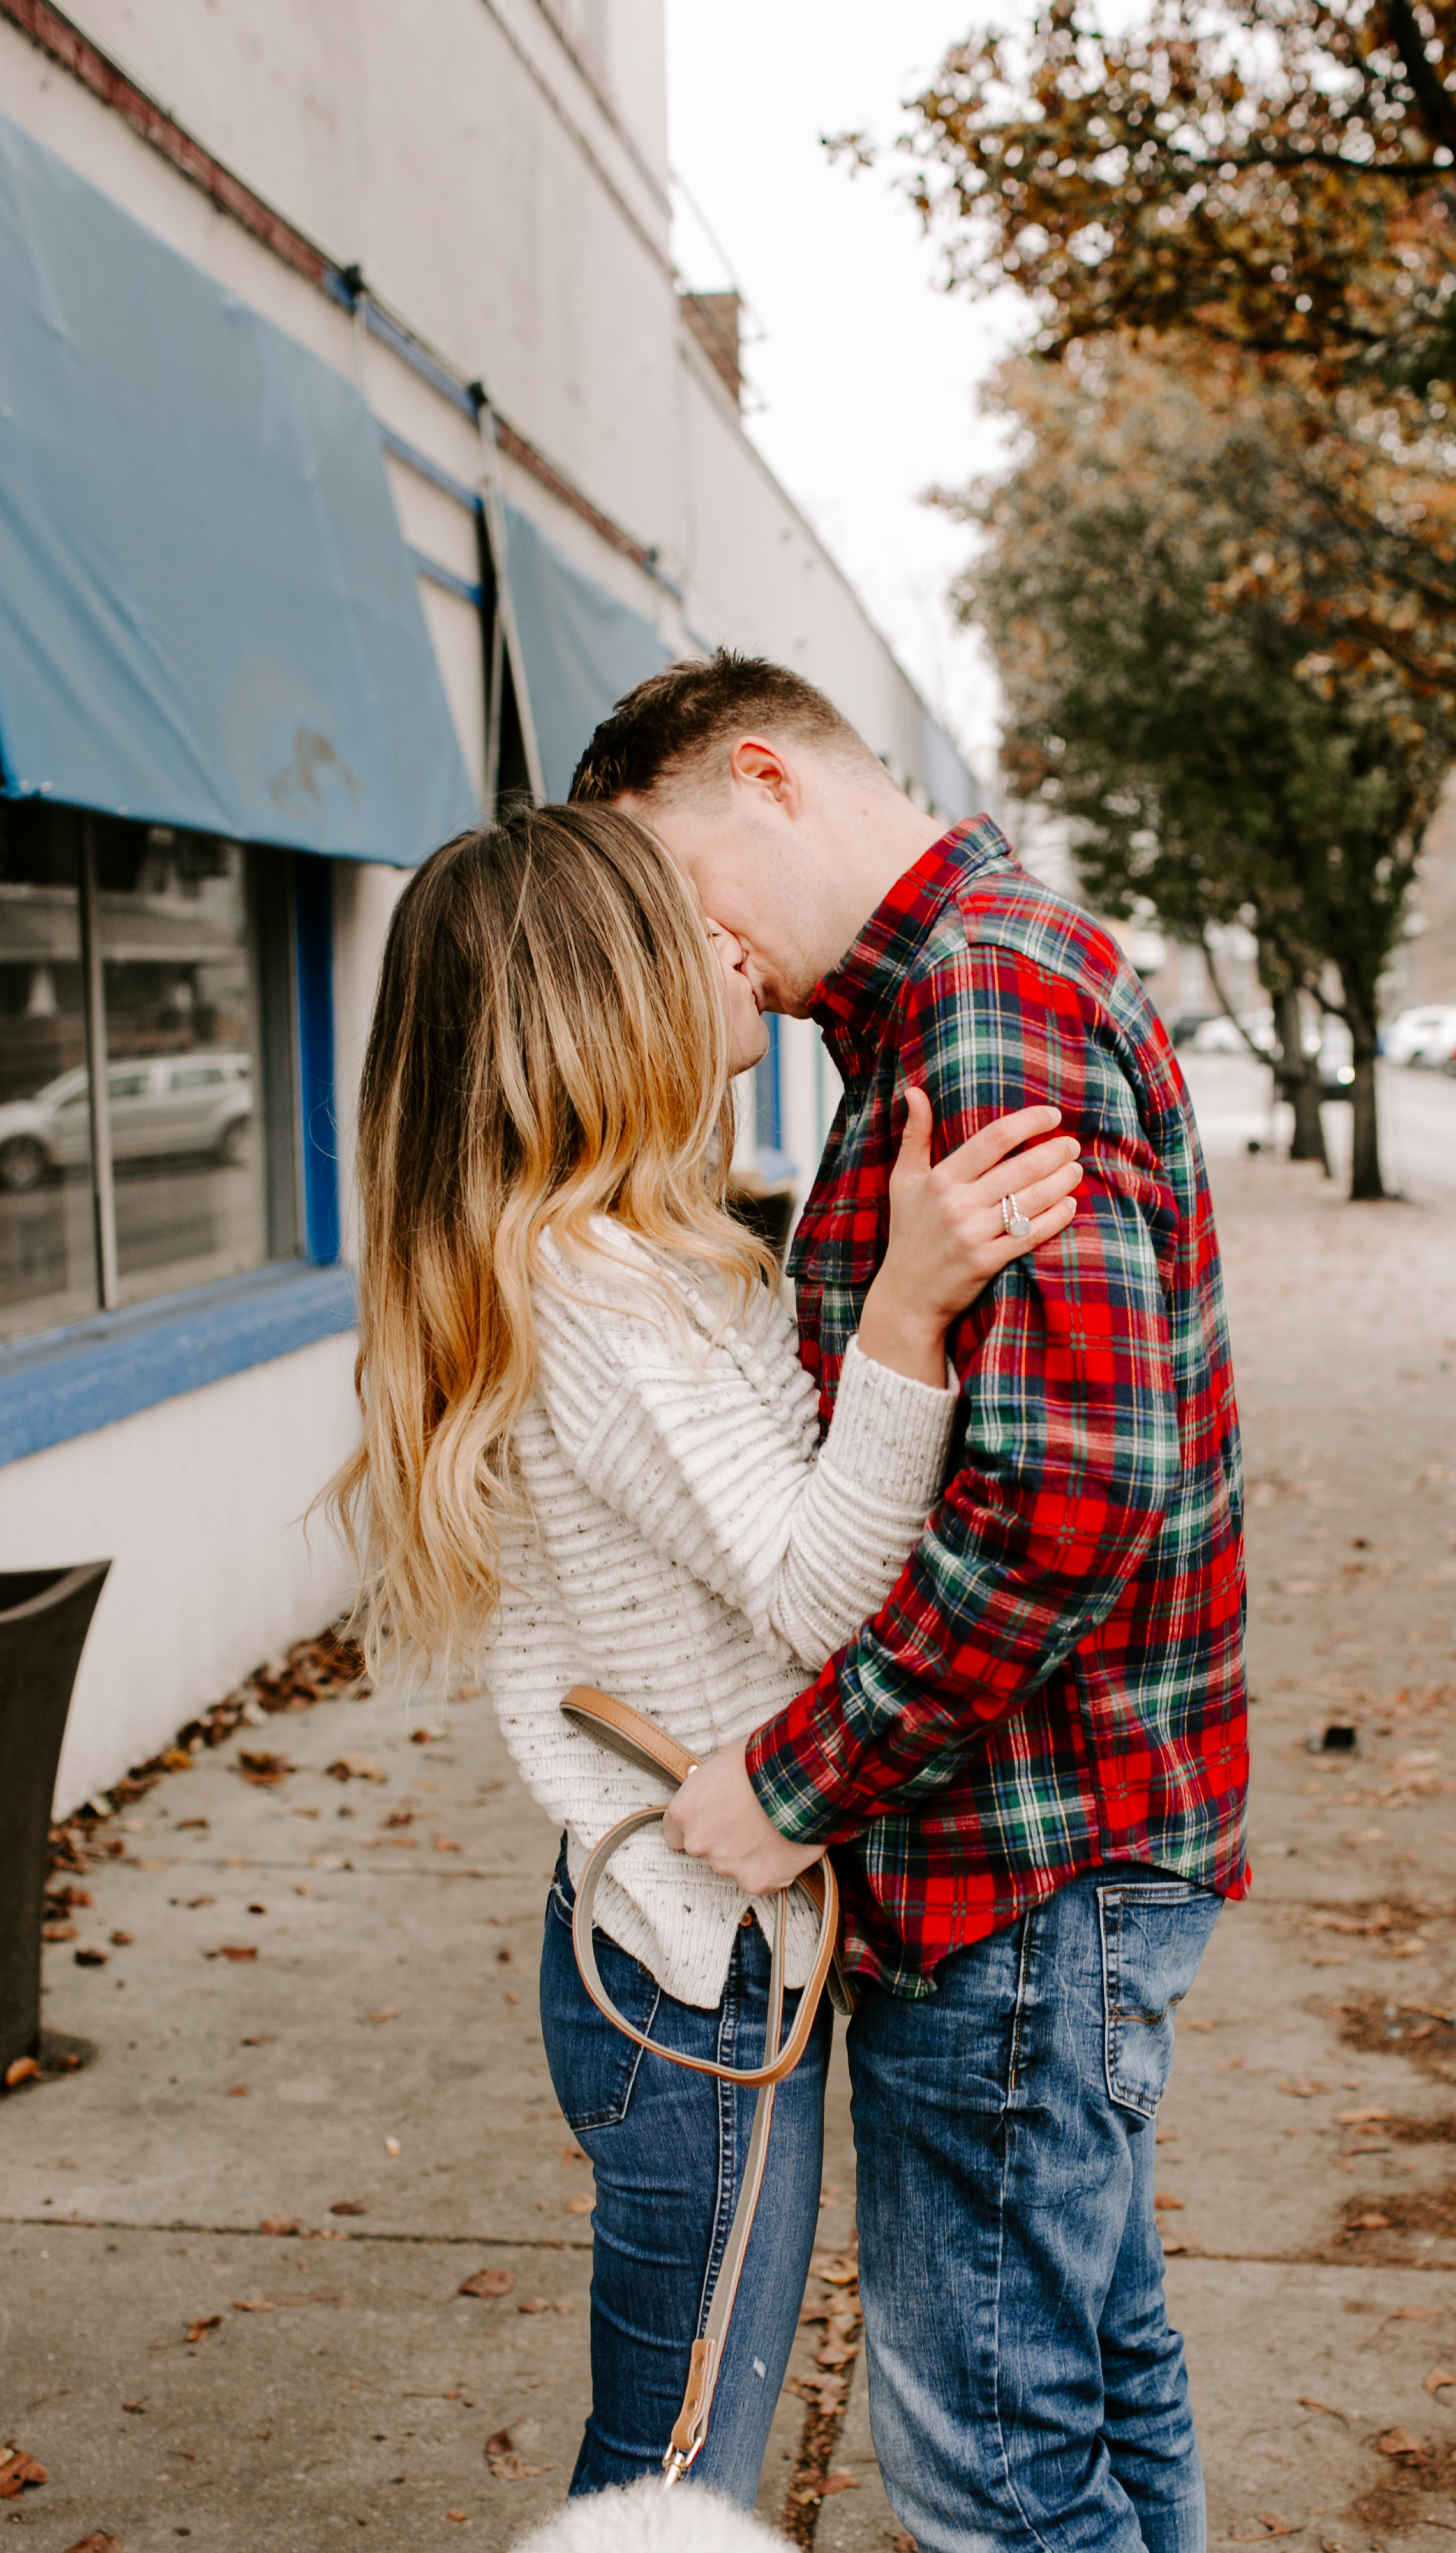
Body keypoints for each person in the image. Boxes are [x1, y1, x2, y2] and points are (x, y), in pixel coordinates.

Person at [571, 655, 1249, 2553]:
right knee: (1100, 2387)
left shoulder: (989, 998)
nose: (681, 948)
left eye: (674, 884)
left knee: (995, 2473)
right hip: (1063, 1846)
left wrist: (789, 1782)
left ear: (766, 779)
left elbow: (1063, 1493)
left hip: (1018, 1870)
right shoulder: (943, 1005)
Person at [330, 802, 1081, 2506]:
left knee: (685, 2447)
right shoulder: (597, 1294)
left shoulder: (625, 1257)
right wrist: (904, 1313)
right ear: (606, 999)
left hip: (687, 1941)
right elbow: (819, 1598)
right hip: (691, 1965)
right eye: (681, 923)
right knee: (676, 2471)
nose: (731, 940)